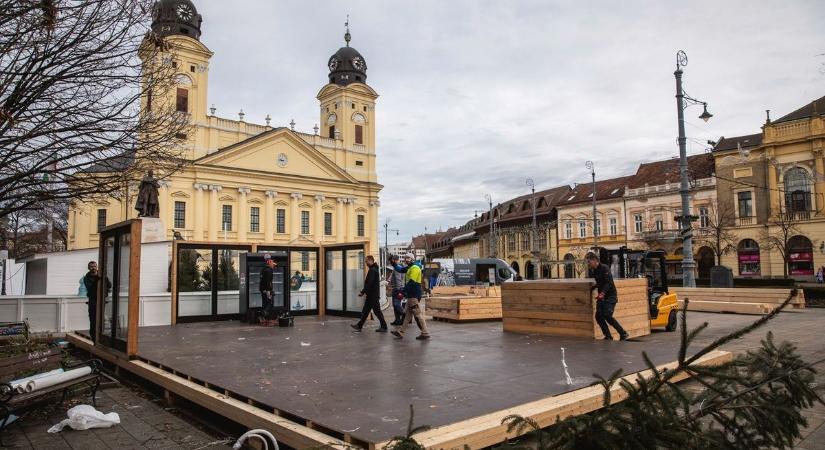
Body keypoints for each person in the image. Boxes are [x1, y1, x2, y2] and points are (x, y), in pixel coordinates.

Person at [586, 252, 628, 341]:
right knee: (598, 316)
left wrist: (602, 293)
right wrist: (593, 287)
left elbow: (609, 282)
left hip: (610, 296)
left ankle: (623, 333)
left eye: (589, 262)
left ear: (594, 260)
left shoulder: (604, 268)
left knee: (607, 315)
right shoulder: (595, 270)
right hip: (602, 296)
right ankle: (608, 336)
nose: (588, 264)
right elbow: (601, 282)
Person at [391, 254, 430, 340]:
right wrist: (393, 263)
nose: (406, 260)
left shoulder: (415, 268)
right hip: (411, 294)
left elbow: (411, 282)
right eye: (405, 258)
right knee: (407, 315)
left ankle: (425, 332)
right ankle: (401, 332)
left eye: (408, 258)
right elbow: (400, 269)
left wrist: (402, 291)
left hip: (414, 294)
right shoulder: (410, 267)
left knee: (418, 314)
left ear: (412, 259)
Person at [351, 255, 388, 332]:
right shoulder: (374, 269)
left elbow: (369, 283)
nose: (366, 263)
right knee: (366, 311)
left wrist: (363, 292)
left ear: (371, 261)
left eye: (366, 261)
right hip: (371, 295)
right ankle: (359, 325)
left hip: (373, 295)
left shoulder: (372, 270)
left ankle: (384, 326)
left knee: (377, 311)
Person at [82, 261, 109, 342]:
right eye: (91, 266)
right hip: (93, 301)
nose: (93, 268)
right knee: (93, 319)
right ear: (88, 268)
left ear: (97, 267)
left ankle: (101, 337)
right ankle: (94, 337)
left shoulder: (101, 276)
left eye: (94, 266)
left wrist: (104, 278)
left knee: (101, 319)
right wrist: (97, 279)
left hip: (101, 300)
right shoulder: (86, 278)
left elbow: (109, 285)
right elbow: (90, 290)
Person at [387, 255, 406, 325]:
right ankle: (397, 320)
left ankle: (405, 314)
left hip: (397, 289)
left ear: (394, 260)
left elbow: (398, 280)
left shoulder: (397, 268)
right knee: (395, 305)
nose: (391, 263)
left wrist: (399, 291)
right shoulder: (398, 267)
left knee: (396, 304)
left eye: (391, 261)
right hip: (396, 288)